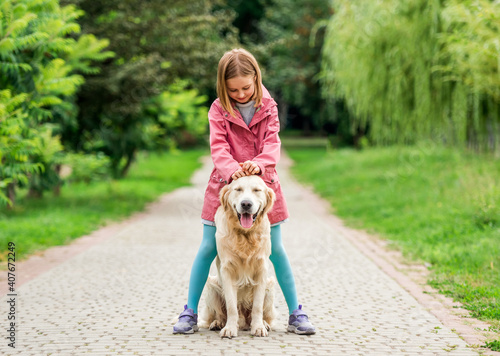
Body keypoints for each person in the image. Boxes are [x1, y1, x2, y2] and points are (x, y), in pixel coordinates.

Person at [173, 48, 315, 335]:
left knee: (275, 249)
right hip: (224, 189)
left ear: (256, 79)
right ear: (223, 87)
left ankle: (296, 313)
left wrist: (258, 165)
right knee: (208, 247)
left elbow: (272, 145)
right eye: (233, 90)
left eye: (246, 88)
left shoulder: (270, 107)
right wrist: (231, 170)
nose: (240, 94)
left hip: (263, 188)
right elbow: (218, 147)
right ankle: (189, 312)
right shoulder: (218, 109)